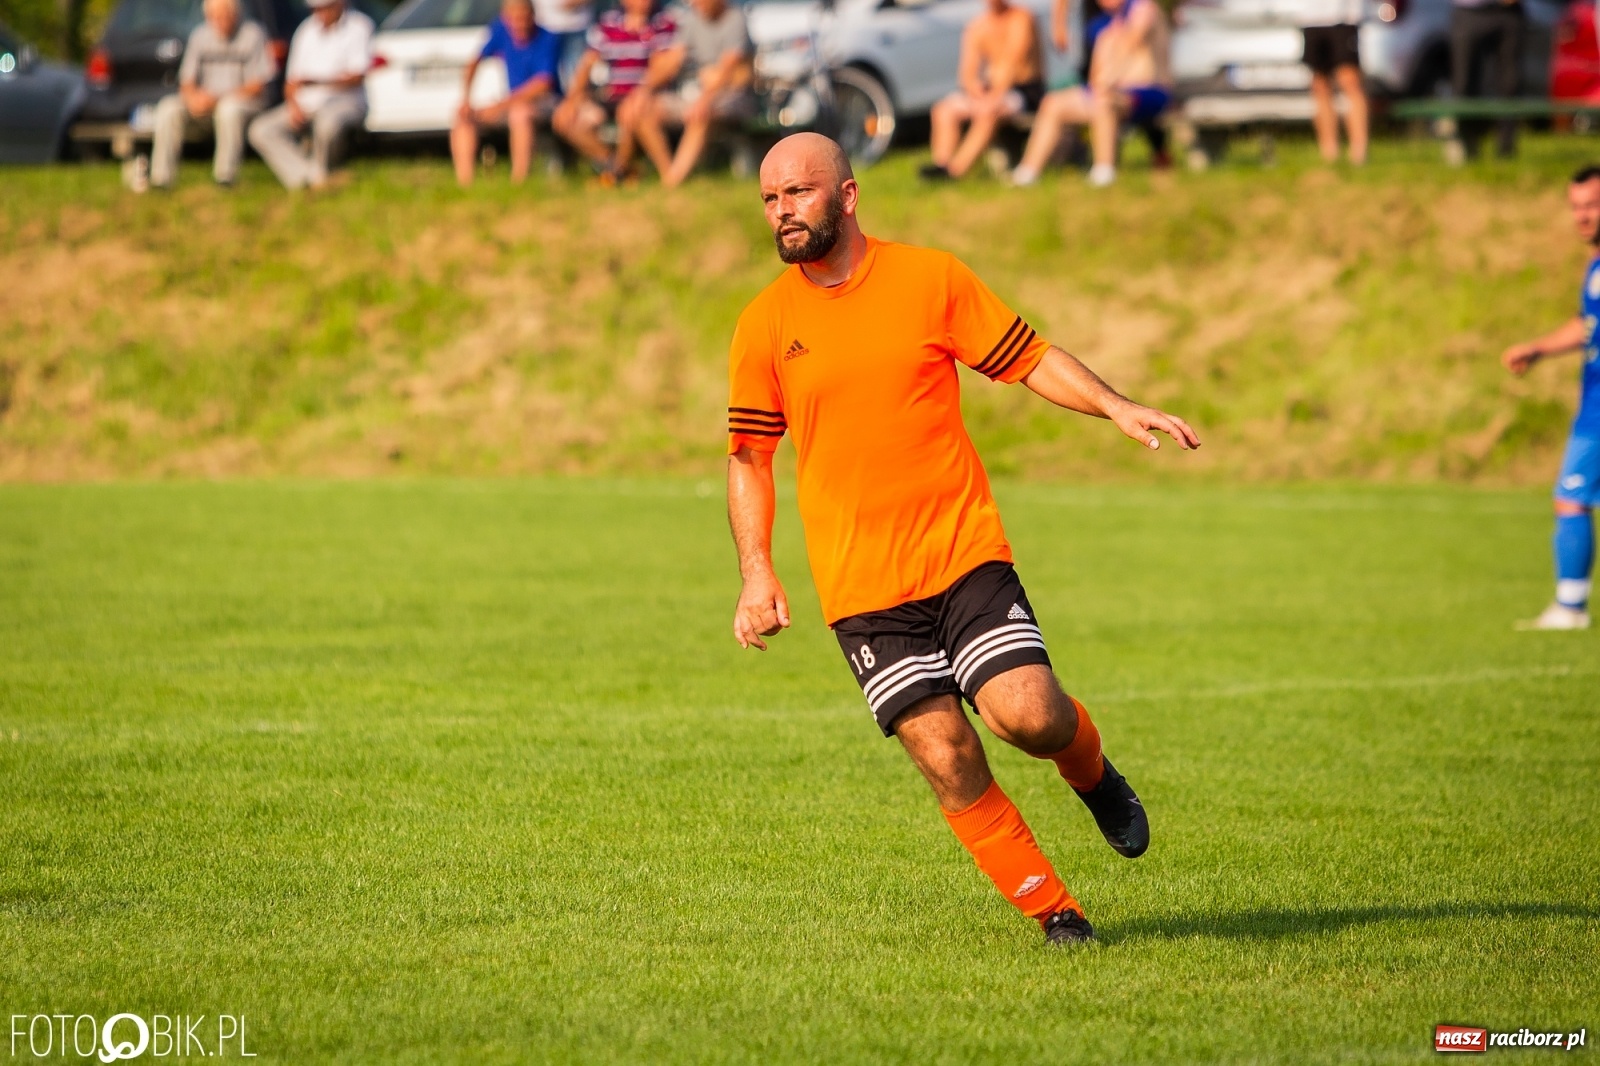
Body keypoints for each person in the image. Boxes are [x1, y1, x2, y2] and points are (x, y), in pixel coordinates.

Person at [727, 133, 1201, 944]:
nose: (783, 213)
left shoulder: (929, 278)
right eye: (771, 200)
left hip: (961, 553)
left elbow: (1028, 359)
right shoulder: (765, 324)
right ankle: (1056, 912)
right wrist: (757, 572)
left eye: (798, 193)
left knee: (1030, 716)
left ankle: (1092, 774)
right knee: (947, 756)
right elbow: (749, 455)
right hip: (861, 590)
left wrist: (1116, 406)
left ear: (847, 196)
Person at [1502, 166, 1600, 630]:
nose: (1583, 216)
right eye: (1576, 207)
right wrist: (1539, 348)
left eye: (1592, 205)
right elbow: (1587, 325)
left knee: (1571, 497)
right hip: (1592, 403)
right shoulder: (1595, 267)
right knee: (1569, 498)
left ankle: (1570, 607)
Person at [1010, 0, 1171, 188]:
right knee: (1053, 103)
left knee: (1102, 102)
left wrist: (1107, 81)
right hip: (1108, 93)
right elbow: (1097, 72)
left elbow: (1132, 42)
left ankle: (1104, 170)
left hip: (1148, 90)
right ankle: (1028, 172)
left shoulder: (1142, 8)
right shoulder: (1103, 24)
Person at [148, 0, 275, 190]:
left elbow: (258, 85)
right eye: (215, 17)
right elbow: (186, 81)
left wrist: (218, 98)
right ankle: (161, 179)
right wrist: (193, 98)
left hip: (243, 104)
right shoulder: (200, 35)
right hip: (205, 103)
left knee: (229, 108)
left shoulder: (253, 34)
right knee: (168, 107)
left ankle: (225, 177)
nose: (220, 21)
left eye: (225, 15)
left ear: (236, 14)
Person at [246, 0, 373, 190]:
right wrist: (293, 105)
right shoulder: (305, 30)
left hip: (346, 101)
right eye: (316, 9)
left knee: (327, 123)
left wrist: (318, 82)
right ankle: (307, 178)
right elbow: (292, 81)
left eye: (325, 7)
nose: (320, 13)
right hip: (306, 104)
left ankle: (319, 175)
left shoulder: (359, 26)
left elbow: (357, 76)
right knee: (261, 130)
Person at [631, 0, 754, 188]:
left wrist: (704, 100)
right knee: (643, 111)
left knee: (699, 114)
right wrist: (644, 90)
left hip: (732, 95)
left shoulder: (735, 19)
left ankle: (673, 182)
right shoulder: (691, 20)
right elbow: (674, 58)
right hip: (698, 91)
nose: (695, 4)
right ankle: (669, 174)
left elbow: (729, 68)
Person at [552, 0, 677, 183]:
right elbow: (587, 64)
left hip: (647, 94)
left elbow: (662, 66)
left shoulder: (663, 23)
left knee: (629, 113)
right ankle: (616, 166)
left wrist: (641, 93)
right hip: (612, 94)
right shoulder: (608, 23)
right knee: (564, 119)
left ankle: (616, 175)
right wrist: (572, 99)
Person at [919, 0, 1044, 182]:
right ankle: (941, 164)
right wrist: (974, 88)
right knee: (943, 109)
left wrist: (993, 95)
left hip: (1024, 91)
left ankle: (955, 171)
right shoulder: (978, 26)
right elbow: (967, 72)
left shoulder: (1022, 18)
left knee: (988, 111)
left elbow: (1013, 63)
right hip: (991, 89)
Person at [450, 0, 562, 186]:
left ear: (533, 16)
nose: (520, 24)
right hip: (510, 102)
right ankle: (465, 183)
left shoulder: (547, 38)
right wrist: (466, 100)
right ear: (506, 19)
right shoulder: (500, 31)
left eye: (524, 18)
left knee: (520, 114)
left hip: (544, 103)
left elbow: (543, 84)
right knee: (464, 118)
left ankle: (519, 180)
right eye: (515, 19)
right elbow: (473, 62)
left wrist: (500, 106)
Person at [1450, 0, 1524, 159]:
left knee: (1509, 83)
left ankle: (1506, 150)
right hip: (1468, 11)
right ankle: (1466, 147)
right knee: (1464, 83)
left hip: (1508, 11)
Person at [1300, 0, 1368, 166]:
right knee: (1320, 85)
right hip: (1310, 18)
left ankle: (1359, 153)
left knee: (1350, 81)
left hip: (1343, 18)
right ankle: (1329, 153)